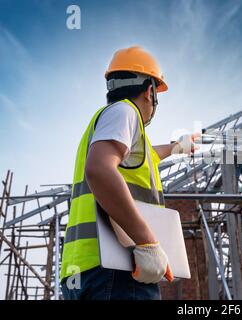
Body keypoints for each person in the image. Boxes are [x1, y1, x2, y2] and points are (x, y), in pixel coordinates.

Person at [60, 46, 196, 300]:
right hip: (117, 269)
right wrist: (147, 242)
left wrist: (178, 147)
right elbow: (100, 170)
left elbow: (148, 155)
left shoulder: (107, 124)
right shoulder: (126, 112)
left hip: (85, 269)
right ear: (149, 91)